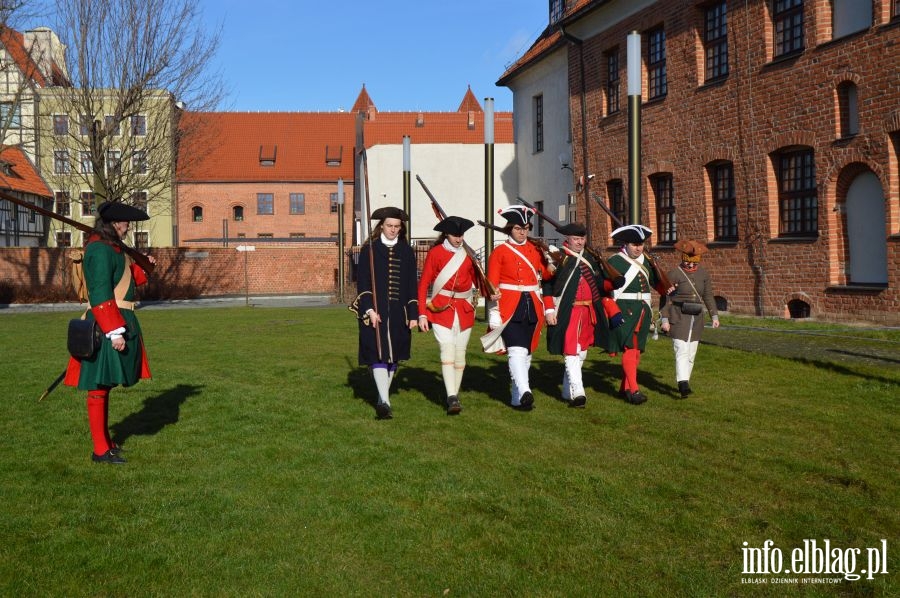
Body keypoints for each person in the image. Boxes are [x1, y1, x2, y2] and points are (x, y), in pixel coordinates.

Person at [63, 201, 156, 464]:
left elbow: (127, 280)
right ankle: (100, 449)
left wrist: (143, 266)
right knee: (98, 385)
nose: (128, 227)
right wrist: (114, 332)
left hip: (115, 320)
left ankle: (106, 443)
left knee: (104, 386)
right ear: (115, 223)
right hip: (106, 323)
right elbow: (102, 292)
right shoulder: (100, 251)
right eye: (126, 223)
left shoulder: (114, 249)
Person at [417, 216, 496, 415]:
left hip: (464, 309)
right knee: (447, 350)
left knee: (460, 354)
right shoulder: (435, 253)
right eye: (455, 235)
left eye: (461, 235)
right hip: (441, 308)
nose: (459, 239)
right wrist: (422, 314)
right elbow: (424, 283)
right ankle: (451, 396)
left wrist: (490, 292)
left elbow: (479, 281)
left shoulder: (468, 254)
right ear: (446, 234)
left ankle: (454, 394)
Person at [481, 205, 555, 410]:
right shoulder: (499, 252)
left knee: (527, 353)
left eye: (526, 227)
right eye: (517, 228)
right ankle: (525, 390)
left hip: (532, 305)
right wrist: (491, 299)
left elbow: (547, 275)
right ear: (509, 229)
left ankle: (516, 397)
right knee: (515, 350)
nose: (522, 232)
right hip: (509, 305)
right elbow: (491, 283)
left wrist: (551, 259)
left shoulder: (534, 249)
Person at [350, 207, 419, 420]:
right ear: (381, 226)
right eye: (389, 226)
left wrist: (414, 313)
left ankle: (382, 399)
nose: (393, 230)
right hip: (375, 310)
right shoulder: (369, 250)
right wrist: (369, 309)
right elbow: (363, 283)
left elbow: (410, 285)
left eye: (397, 227)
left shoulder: (406, 251)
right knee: (377, 352)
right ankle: (386, 402)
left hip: (399, 312)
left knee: (393, 355)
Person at [545, 222, 624, 408]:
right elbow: (547, 284)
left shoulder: (590, 257)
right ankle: (579, 391)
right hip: (568, 310)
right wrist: (549, 309)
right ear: (568, 239)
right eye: (576, 239)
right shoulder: (558, 257)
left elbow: (598, 284)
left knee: (582, 352)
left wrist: (613, 283)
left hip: (589, 310)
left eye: (582, 238)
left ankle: (567, 390)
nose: (579, 242)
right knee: (571, 350)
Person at [600, 224, 675, 405]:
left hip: (643, 310)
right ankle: (634, 390)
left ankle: (624, 388)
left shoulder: (646, 261)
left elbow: (656, 283)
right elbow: (602, 290)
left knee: (636, 351)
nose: (638, 247)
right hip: (624, 309)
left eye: (640, 244)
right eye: (634, 244)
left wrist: (667, 286)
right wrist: (611, 310)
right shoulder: (615, 261)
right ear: (625, 244)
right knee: (630, 348)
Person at [659, 239, 720, 398]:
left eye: (694, 264)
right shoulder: (674, 274)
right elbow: (665, 298)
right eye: (688, 263)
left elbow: (707, 295)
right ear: (682, 259)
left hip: (697, 318)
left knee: (691, 353)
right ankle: (683, 383)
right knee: (681, 350)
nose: (691, 266)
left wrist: (714, 315)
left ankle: (686, 381)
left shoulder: (704, 274)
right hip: (678, 316)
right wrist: (664, 320)